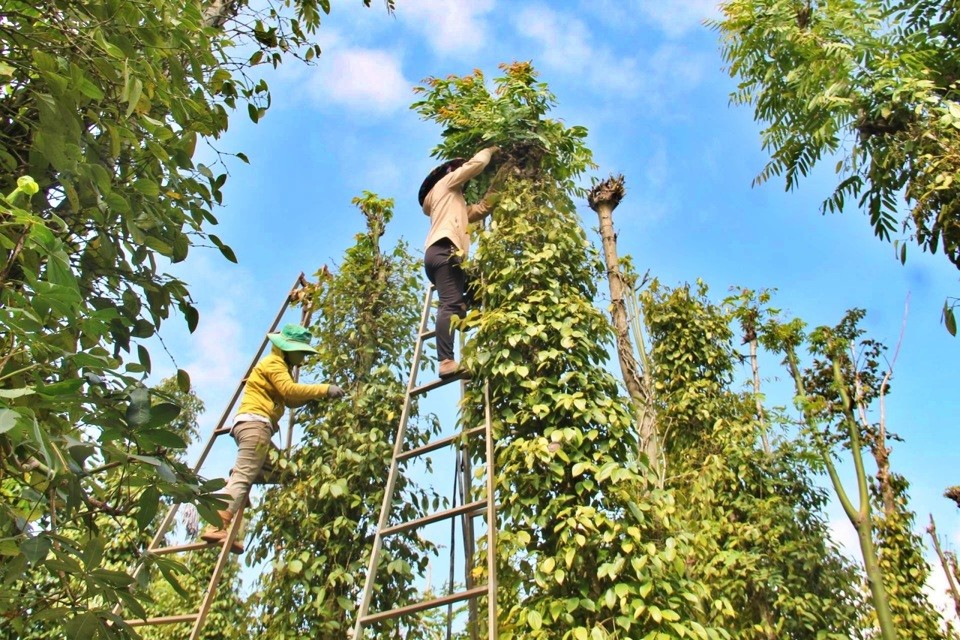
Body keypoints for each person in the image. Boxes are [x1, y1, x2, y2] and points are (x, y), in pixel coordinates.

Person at [200, 323, 344, 553]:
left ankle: (237, 480)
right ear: (287, 349)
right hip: (256, 425)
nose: (303, 359)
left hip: (255, 427)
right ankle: (217, 525)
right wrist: (324, 389)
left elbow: (291, 400)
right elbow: (289, 391)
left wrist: (316, 397)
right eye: (301, 352)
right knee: (244, 475)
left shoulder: (281, 367)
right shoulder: (274, 364)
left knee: (284, 473)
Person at [419, 146, 500, 378]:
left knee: (465, 298)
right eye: (454, 170)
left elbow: (482, 208)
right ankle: (446, 362)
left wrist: (500, 179)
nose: (457, 173)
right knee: (450, 304)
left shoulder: (453, 203)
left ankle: (463, 319)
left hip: (441, 253)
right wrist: (488, 150)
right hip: (445, 249)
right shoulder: (444, 185)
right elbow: (476, 165)